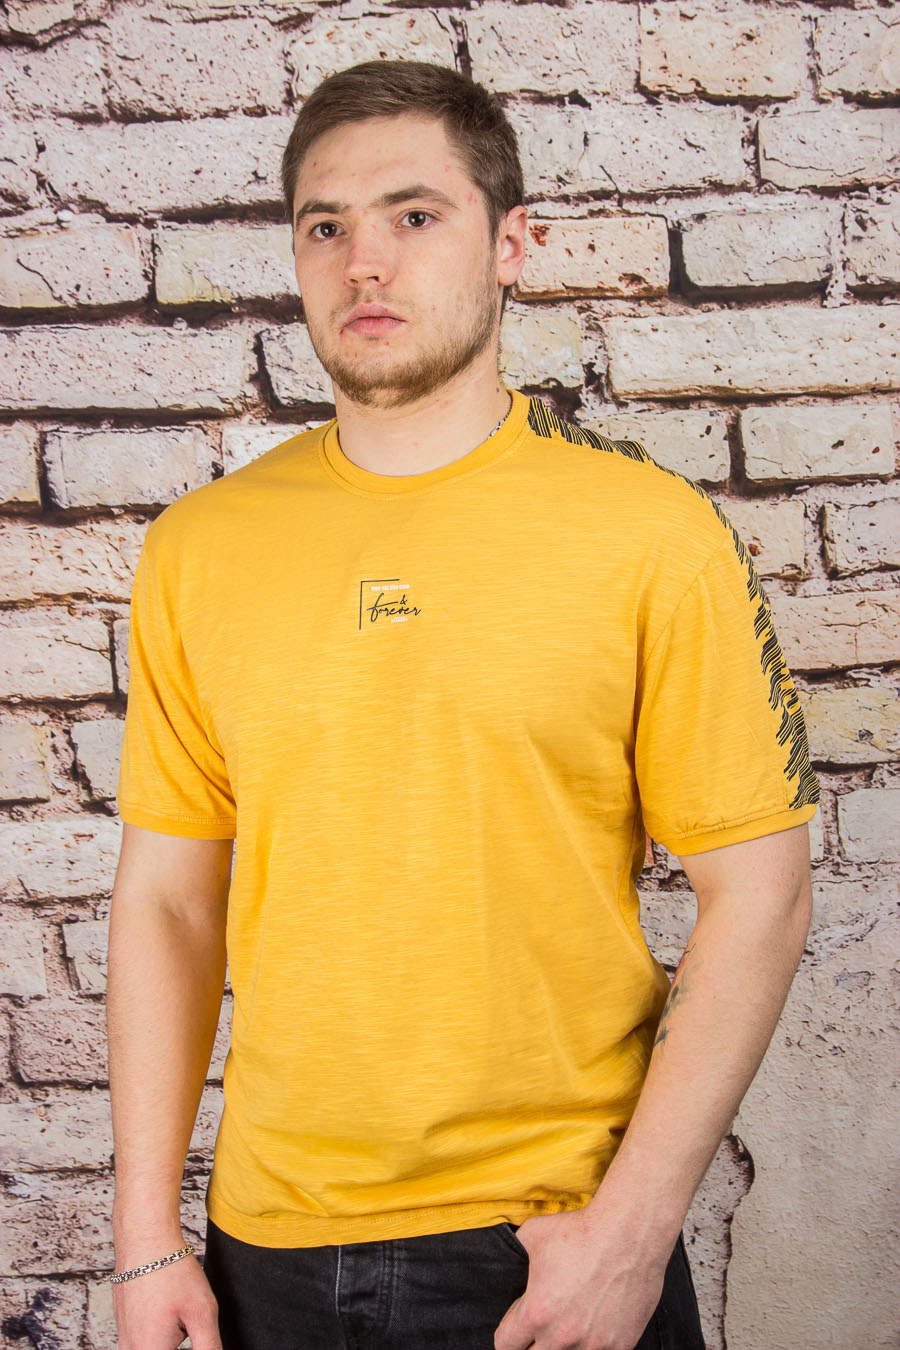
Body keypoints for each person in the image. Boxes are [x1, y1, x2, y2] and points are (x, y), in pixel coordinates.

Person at [107, 59, 820, 1350]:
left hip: (553, 1244)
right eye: (326, 227)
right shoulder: (199, 549)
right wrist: (146, 1236)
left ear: (512, 245)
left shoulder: (651, 535)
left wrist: (634, 1231)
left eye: (415, 215)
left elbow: (759, 891)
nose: (365, 262)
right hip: (266, 1251)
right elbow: (169, 898)